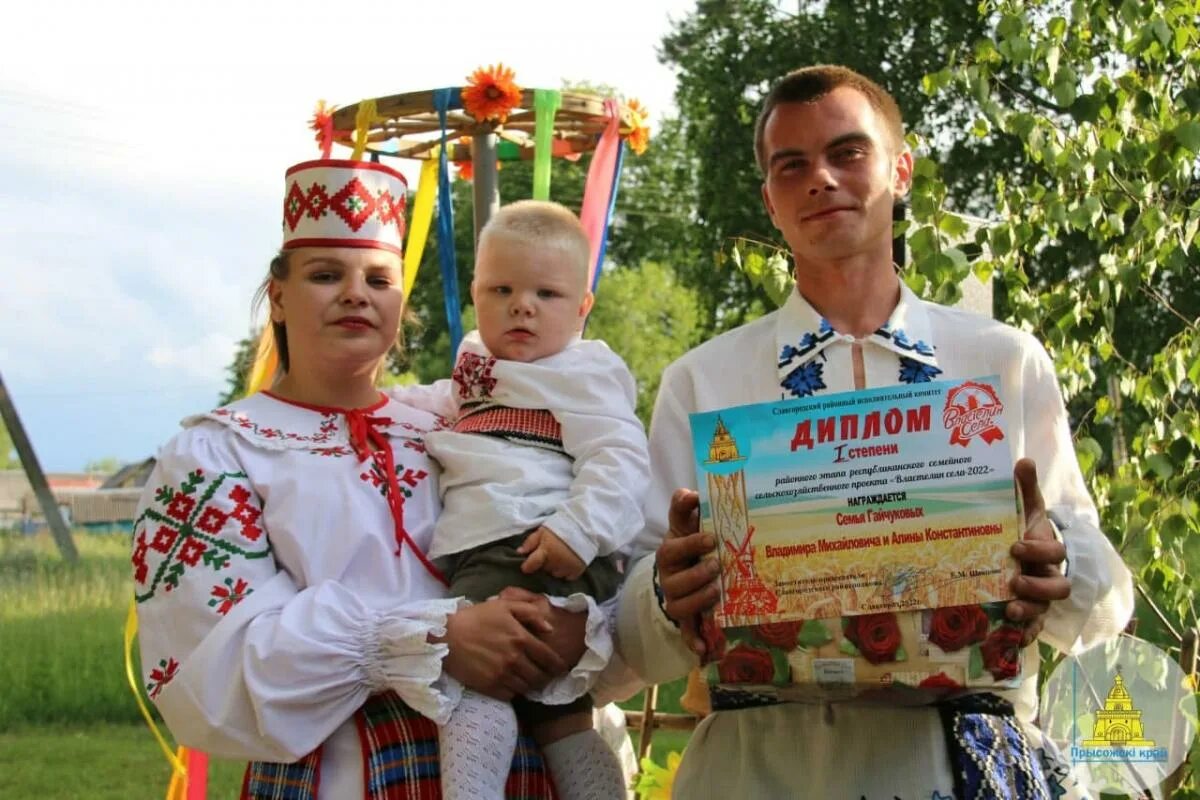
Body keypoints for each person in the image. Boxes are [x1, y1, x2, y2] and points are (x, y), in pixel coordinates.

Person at [612, 65, 1135, 798]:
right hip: (756, 771)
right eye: (791, 166)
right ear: (770, 201)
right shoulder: (703, 382)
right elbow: (627, 647)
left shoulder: (1003, 362)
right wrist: (669, 594)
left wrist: (1059, 570)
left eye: (848, 152)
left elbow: (1108, 606)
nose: (821, 179)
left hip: (957, 768)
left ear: (902, 170)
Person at [131, 158, 586, 799]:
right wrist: (434, 638)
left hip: (511, 763)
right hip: (337, 774)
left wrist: (574, 622)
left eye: (379, 278)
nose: (356, 294)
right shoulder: (217, 452)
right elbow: (211, 666)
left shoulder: (454, 428)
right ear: (279, 297)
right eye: (325, 275)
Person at [391, 200, 648, 800]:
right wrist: (379, 404)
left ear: (583, 309)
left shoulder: (581, 373)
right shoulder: (481, 368)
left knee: (471, 688)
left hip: (530, 543)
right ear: (476, 296)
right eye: (501, 289)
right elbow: (440, 401)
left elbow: (620, 459)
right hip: (502, 547)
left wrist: (577, 531)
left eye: (547, 294)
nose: (522, 305)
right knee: (562, 716)